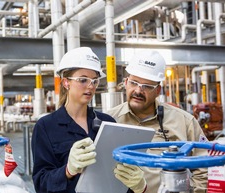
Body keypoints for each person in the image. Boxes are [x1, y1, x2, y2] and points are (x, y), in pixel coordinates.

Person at [107, 50, 208, 193]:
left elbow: (202, 169)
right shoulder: (109, 120)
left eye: (147, 86)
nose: (138, 90)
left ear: (158, 90)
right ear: (126, 82)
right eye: (134, 82)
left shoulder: (184, 122)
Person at [32, 47, 116, 193]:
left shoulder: (107, 123)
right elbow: (41, 183)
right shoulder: (46, 127)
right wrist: (68, 170)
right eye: (83, 80)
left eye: (94, 81)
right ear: (66, 83)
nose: (90, 86)